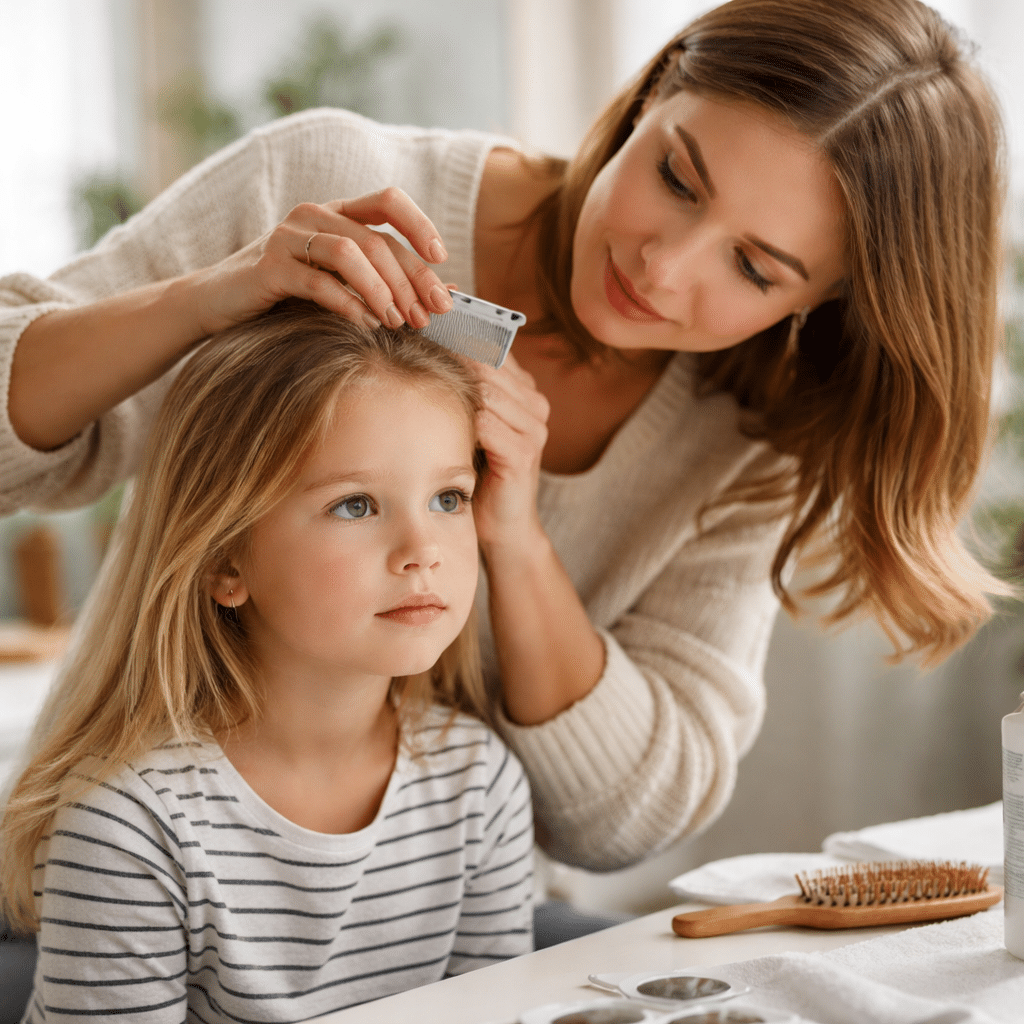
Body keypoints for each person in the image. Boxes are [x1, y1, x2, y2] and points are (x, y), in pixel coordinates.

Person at [0, 0, 1008, 871]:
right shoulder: (329, 181)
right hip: (138, 871)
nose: (662, 268)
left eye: (753, 268)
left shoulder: (748, 442)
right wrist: (205, 299)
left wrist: (514, 538)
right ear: (653, 91)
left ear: (827, 303)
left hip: (428, 921)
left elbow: (629, 819)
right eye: (678, 178)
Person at [0, 302, 534, 1019]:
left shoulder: (481, 785)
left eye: (448, 497)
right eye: (355, 505)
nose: (423, 549)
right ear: (225, 560)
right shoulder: (127, 824)